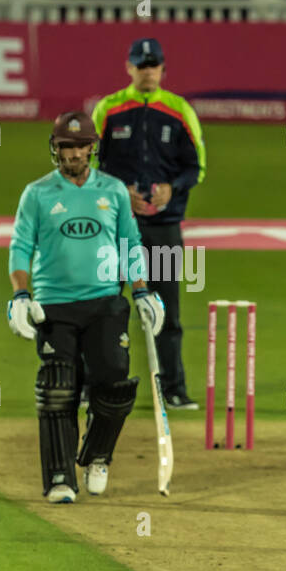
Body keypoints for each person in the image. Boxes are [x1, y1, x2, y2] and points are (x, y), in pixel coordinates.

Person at [7, 112, 165, 504]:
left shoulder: (111, 191)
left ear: (92, 148)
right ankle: (60, 478)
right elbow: (21, 247)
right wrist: (21, 296)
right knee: (58, 389)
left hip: (104, 300)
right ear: (55, 148)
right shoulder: (37, 193)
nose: (73, 153)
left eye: (79, 146)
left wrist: (143, 291)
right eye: (65, 146)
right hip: (54, 304)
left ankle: (97, 455)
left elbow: (130, 242)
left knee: (113, 379)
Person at [92, 38, 206, 410]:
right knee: (104, 308)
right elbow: (90, 163)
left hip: (163, 227)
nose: (146, 71)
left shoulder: (178, 110)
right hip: (117, 226)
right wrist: (119, 191)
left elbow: (196, 166)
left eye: (152, 65)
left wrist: (172, 189)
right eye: (140, 65)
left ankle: (172, 389)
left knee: (166, 311)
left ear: (162, 69)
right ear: (129, 68)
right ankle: (96, 388)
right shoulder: (109, 109)